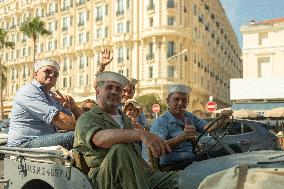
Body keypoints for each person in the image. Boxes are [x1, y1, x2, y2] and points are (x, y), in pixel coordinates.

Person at [74, 71, 179, 189]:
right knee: (120, 149)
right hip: (106, 179)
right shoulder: (87, 117)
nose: (114, 91)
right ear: (98, 92)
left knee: (184, 178)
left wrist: (153, 173)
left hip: (138, 173)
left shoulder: (127, 120)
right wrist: (140, 134)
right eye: (109, 87)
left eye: (118, 89)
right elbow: (99, 139)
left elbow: (135, 157)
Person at [146, 84, 232, 170]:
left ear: (187, 102)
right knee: (214, 156)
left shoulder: (189, 116)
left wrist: (222, 120)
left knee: (233, 148)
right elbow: (157, 149)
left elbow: (208, 127)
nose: (180, 103)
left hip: (192, 161)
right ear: (168, 101)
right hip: (174, 166)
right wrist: (181, 137)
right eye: (176, 99)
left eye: (184, 100)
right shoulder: (161, 121)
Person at [7, 59, 83, 150]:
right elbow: (60, 119)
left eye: (55, 74)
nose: (52, 75)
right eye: (47, 71)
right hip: (24, 144)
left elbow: (78, 119)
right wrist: (89, 129)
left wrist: (73, 107)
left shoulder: (52, 96)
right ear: (36, 74)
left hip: (41, 139)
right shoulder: (29, 91)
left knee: (81, 135)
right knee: (76, 137)